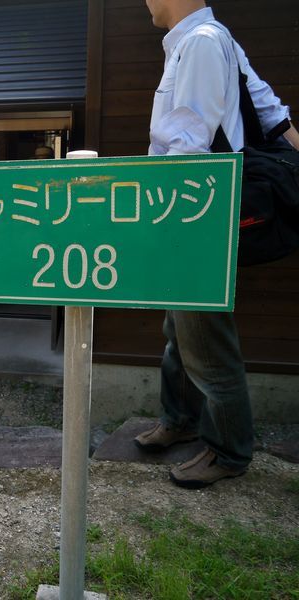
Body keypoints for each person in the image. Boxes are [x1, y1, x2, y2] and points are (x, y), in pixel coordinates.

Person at [133, 0, 299, 488]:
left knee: (204, 335)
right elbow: (272, 113)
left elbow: (187, 147)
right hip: (194, 210)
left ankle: (228, 450)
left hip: (193, 212)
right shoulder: (205, 40)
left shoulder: (202, 43)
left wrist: (163, 224)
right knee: (179, 328)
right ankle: (180, 419)